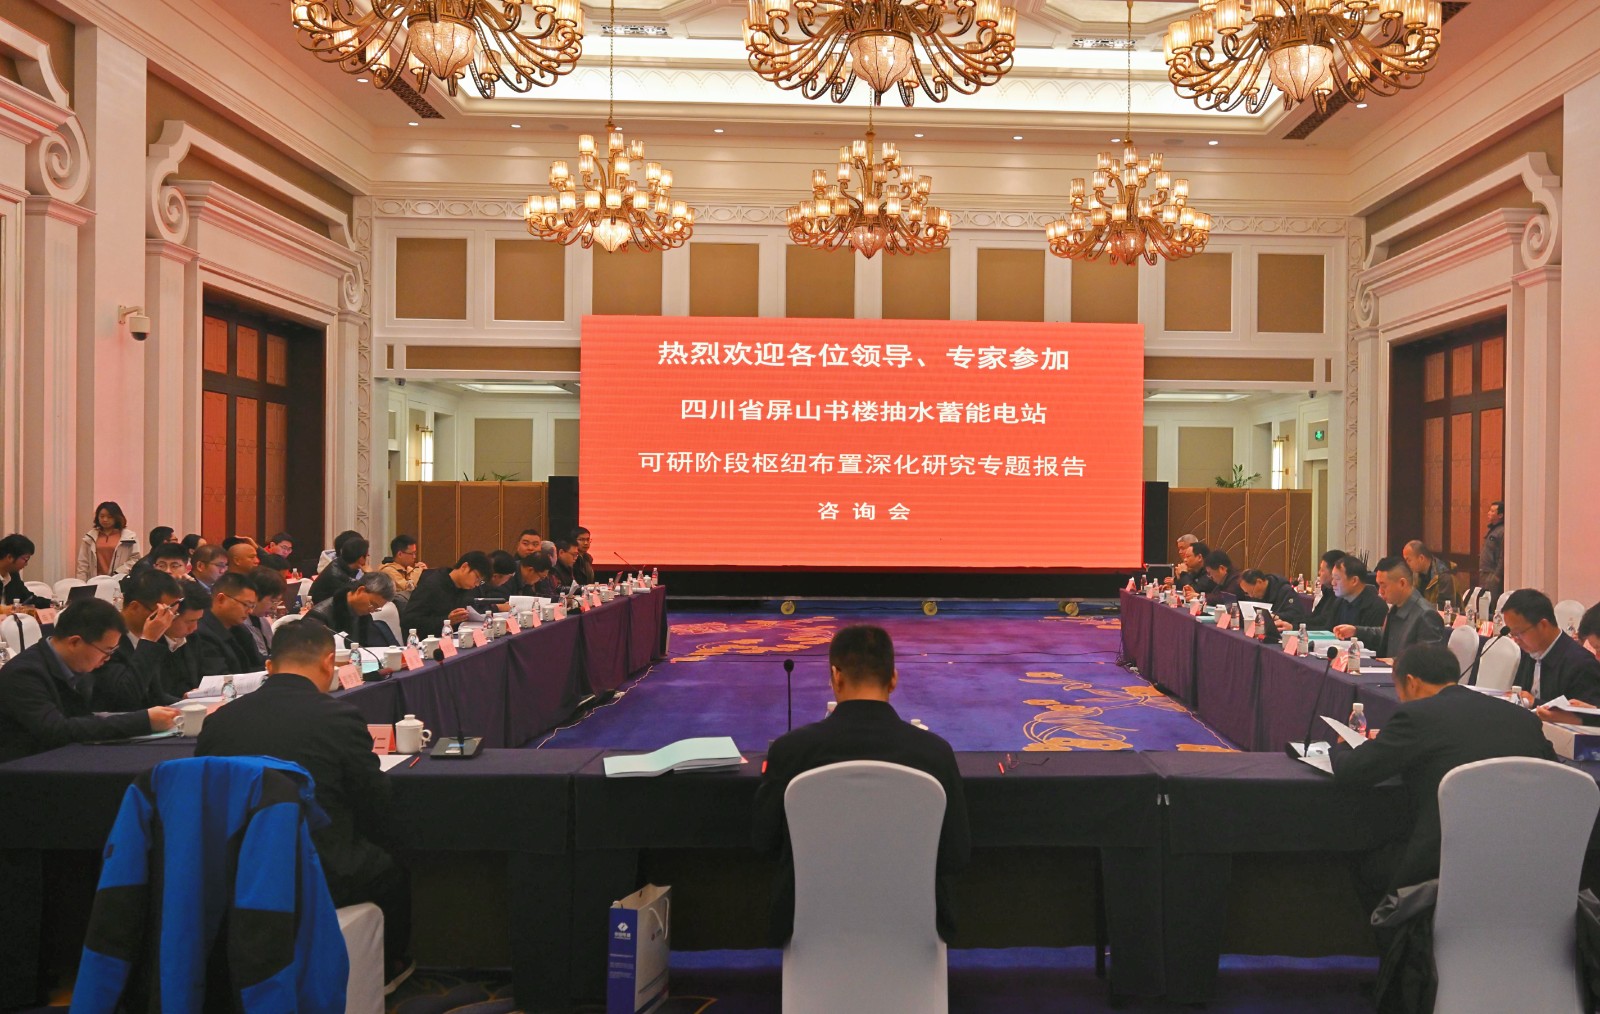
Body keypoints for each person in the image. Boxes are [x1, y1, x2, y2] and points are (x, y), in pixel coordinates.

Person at [195, 620, 413, 989]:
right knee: (391, 863)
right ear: (329, 663)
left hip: (234, 863)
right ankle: (390, 967)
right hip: (318, 866)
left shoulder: (220, 720)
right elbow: (373, 799)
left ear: (269, 666)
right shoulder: (338, 716)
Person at [753, 625, 970, 945]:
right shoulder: (935, 754)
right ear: (893, 679)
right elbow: (955, 855)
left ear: (835, 677)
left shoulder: (790, 751)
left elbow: (764, 843)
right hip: (913, 928)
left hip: (809, 928)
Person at [1331, 644, 1556, 899]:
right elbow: (1555, 776)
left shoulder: (1416, 716)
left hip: (1439, 864)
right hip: (1527, 861)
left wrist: (1342, 746)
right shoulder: (1523, 718)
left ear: (1411, 682)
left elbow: (1354, 772)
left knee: (1357, 863)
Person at [0, 599, 180, 762]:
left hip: (65, 759)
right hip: (23, 770)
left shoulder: (79, 665)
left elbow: (100, 712)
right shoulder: (23, 674)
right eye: (107, 651)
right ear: (75, 642)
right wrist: (142, 721)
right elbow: (56, 730)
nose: (108, 658)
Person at [1494, 589, 1600, 712]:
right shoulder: (1527, 653)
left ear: (1543, 625)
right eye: (1512, 634)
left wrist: (1535, 703)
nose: (1516, 640)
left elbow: (1586, 716)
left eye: (1519, 633)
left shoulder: (1581, 663)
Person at [91, 570, 183, 712]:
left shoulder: (153, 637)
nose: (167, 621)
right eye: (163, 613)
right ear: (135, 607)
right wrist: (149, 640)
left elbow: (154, 695)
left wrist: (186, 702)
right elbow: (126, 697)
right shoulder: (106, 638)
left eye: (172, 614)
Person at [1334, 556, 1446, 660]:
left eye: (1384, 585)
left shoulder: (1426, 614)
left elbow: (1430, 659)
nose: (1380, 591)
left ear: (1402, 583)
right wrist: (1356, 631)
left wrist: (1395, 661)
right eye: (1378, 585)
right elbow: (1387, 634)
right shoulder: (1397, 607)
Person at [192, 573, 263, 677]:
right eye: (246, 604)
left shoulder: (239, 629)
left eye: (252, 606)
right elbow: (220, 679)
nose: (250, 611)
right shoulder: (202, 632)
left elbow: (258, 662)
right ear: (221, 599)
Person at [401, 552, 491, 635]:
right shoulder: (432, 585)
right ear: (464, 567)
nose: (476, 584)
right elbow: (409, 621)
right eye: (477, 578)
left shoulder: (470, 589)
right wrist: (446, 620)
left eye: (480, 582)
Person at [307, 572, 395, 646]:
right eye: (372, 604)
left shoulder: (363, 615)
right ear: (360, 590)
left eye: (376, 608)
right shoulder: (319, 616)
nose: (371, 610)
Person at [155, 588, 210, 699]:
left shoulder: (193, 638)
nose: (194, 627)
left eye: (198, 620)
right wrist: (182, 700)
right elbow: (155, 695)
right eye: (190, 621)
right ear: (170, 615)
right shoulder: (151, 644)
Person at [75, 501, 141, 579]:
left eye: (109, 517)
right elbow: (83, 563)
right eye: (102, 516)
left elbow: (135, 559)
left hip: (119, 579)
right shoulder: (90, 537)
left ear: (117, 517)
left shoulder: (129, 536)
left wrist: (119, 572)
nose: (105, 519)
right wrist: (81, 582)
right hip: (95, 580)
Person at [1329, 556, 1388, 631]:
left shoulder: (1377, 607)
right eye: (1333, 578)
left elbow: (1374, 637)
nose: (1333, 583)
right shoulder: (1339, 602)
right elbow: (1329, 631)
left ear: (1354, 581)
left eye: (1337, 579)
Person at [240, 567, 286, 659]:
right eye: (272, 601)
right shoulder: (239, 625)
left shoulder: (263, 621)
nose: (274, 608)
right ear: (255, 596)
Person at [1237, 568, 1307, 627]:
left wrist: (1277, 616)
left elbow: (1296, 614)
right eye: (1247, 593)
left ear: (1259, 582)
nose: (1251, 596)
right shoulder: (1255, 594)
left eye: (1251, 592)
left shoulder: (1285, 590)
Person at [310, 537, 368, 605]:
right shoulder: (336, 575)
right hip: (321, 609)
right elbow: (358, 596)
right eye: (367, 555)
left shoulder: (342, 563)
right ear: (361, 558)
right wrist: (368, 575)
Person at [0, 534, 51, 610]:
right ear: (10, 557)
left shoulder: (13, 576)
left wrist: (53, 603)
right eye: (25, 559)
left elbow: (29, 599)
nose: (26, 564)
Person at [1401, 540, 1453, 611]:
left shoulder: (1444, 576)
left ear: (1421, 558)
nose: (1407, 564)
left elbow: (1443, 608)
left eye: (1409, 560)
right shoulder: (1415, 575)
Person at [1306, 550, 1347, 631]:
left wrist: (1294, 626)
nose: (1319, 573)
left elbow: (1326, 625)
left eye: (1322, 570)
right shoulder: (1328, 591)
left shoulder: (1341, 597)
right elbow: (1315, 617)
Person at [379, 535, 425, 603]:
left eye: (415, 553)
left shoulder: (410, 569)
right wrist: (418, 571)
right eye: (412, 554)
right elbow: (409, 588)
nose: (414, 557)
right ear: (400, 554)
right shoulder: (388, 570)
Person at [1480, 501, 1505, 596]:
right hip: (1485, 572)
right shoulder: (1493, 530)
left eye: (1492, 511)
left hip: (1493, 573)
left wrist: (1497, 576)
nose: (1488, 513)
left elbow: (1503, 555)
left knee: (1491, 600)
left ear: (1500, 515)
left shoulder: (1502, 531)